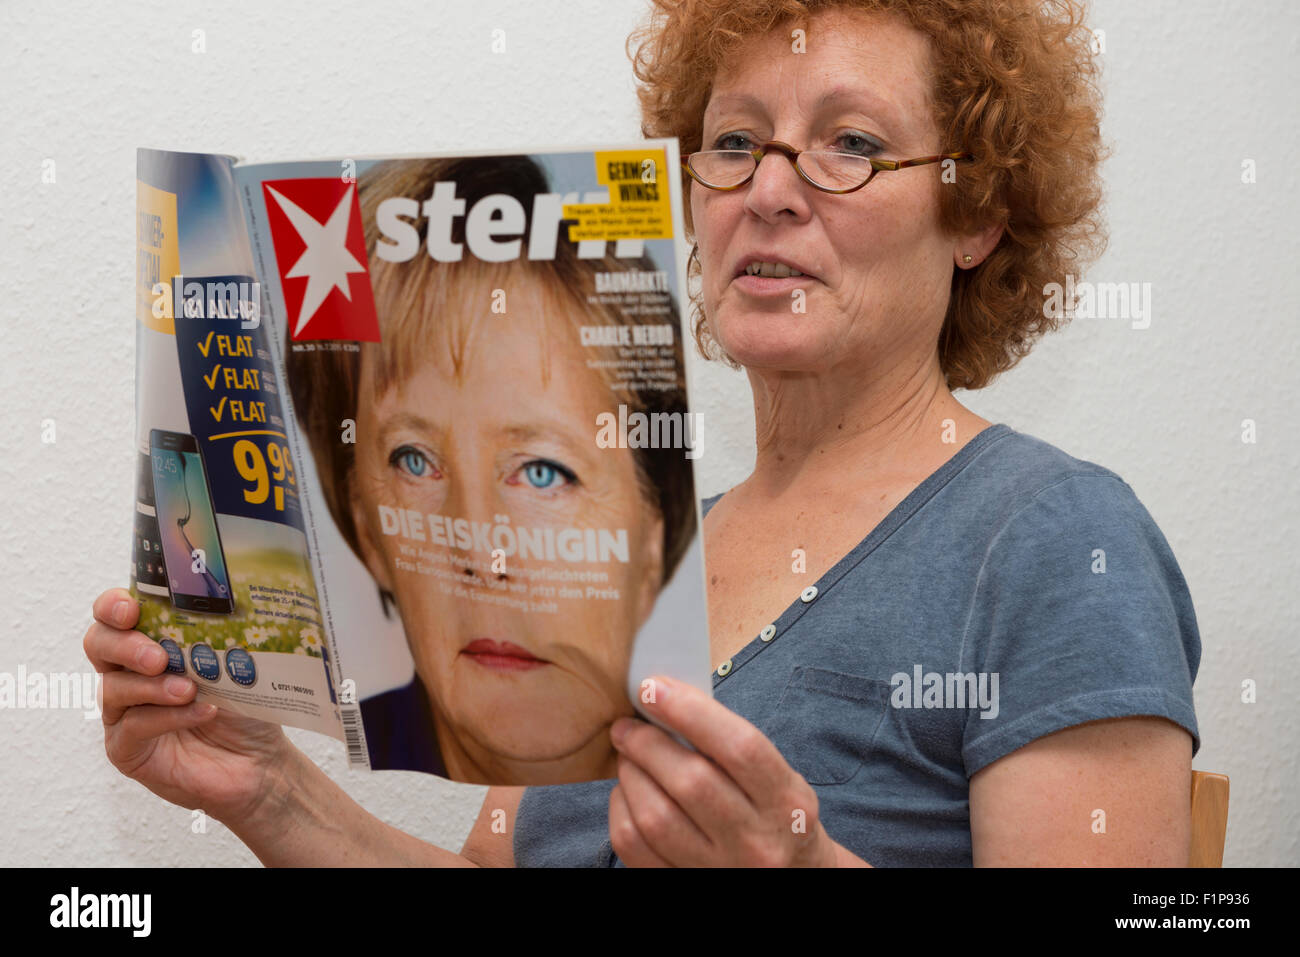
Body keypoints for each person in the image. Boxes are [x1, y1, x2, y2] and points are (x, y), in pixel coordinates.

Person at [85, 0, 1200, 866]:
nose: (768, 191)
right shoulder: (624, 539)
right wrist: (270, 790)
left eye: (850, 142)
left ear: (977, 213)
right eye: (734, 143)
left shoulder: (1057, 537)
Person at [280, 155, 698, 785]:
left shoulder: (746, 751)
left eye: (543, 473)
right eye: (415, 462)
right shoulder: (310, 768)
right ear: (366, 530)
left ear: (654, 538)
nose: (484, 556)